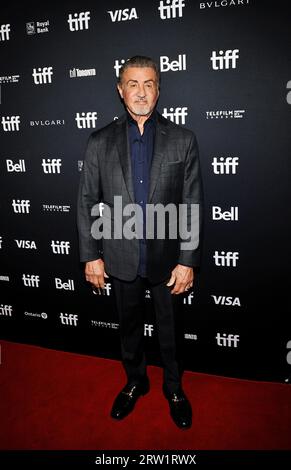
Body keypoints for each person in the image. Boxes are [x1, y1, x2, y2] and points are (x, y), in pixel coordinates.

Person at [77, 56, 203, 429]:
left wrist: (188, 259)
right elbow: (86, 201)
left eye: (149, 83)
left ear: (159, 89)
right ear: (120, 90)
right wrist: (91, 256)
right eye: (133, 83)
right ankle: (135, 381)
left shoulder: (183, 139)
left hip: (167, 259)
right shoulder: (99, 141)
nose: (141, 91)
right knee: (129, 327)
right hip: (120, 255)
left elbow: (192, 203)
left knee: (170, 331)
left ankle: (175, 388)